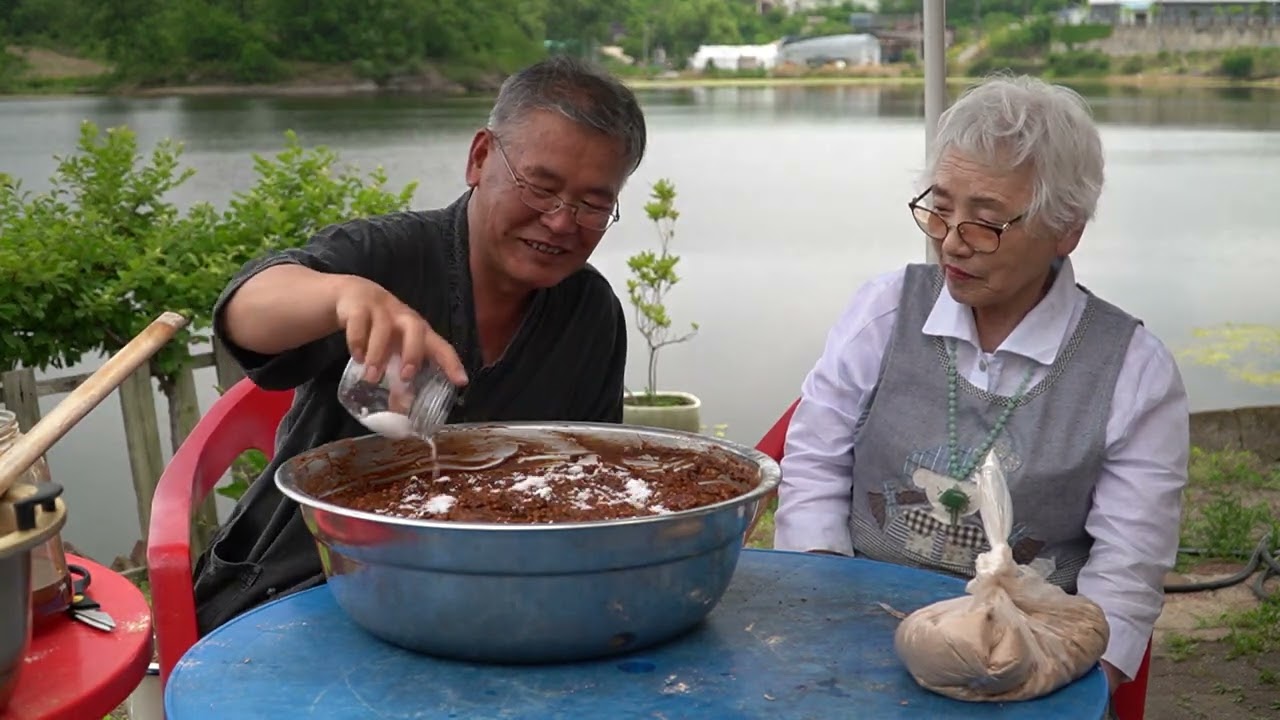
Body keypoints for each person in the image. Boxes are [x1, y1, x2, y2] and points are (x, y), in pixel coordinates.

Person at [193, 56, 647, 633]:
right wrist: (344, 296)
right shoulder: (386, 256)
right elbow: (244, 313)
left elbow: (587, 473)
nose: (561, 221)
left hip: (502, 594)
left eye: (592, 203)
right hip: (311, 585)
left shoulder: (591, 313)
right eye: (541, 186)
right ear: (480, 158)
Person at [773, 74, 1189, 696]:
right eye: (940, 208)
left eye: (986, 220)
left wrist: (1063, 685)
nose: (950, 241)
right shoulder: (885, 311)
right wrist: (823, 605)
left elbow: (1128, 568)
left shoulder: (1132, 369)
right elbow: (814, 462)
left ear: (1066, 228)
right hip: (856, 635)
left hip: (1028, 660)